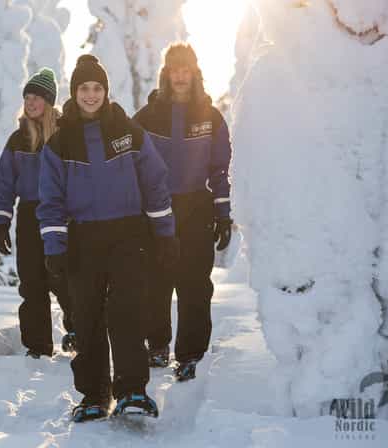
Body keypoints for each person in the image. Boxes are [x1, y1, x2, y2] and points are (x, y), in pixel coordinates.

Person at [37, 54, 179, 422]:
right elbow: (50, 200)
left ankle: (132, 390)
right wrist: (55, 247)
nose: (91, 94)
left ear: (105, 91)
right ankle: (94, 395)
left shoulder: (128, 132)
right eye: (84, 88)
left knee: (127, 313)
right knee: (87, 318)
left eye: (97, 87)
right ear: (74, 92)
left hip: (128, 235)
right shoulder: (60, 143)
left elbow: (154, 182)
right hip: (83, 240)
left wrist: (164, 234)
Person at [132, 43, 233, 382]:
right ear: (166, 73)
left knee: (194, 285)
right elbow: (129, 163)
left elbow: (221, 169)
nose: (179, 75)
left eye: (185, 68)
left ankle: (190, 354)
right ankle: (158, 345)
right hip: (157, 212)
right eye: (174, 68)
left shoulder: (210, 116)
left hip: (196, 210)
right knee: (155, 283)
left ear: (194, 73)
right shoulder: (147, 117)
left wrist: (223, 213)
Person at [0, 68, 75, 359]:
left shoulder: (65, 135)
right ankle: (38, 346)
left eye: (36, 97)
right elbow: (4, 182)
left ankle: (77, 329)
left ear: (49, 101)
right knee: (32, 282)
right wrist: (2, 221)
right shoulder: (18, 140)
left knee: (65, 278)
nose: (30, 102)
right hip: (29, 216)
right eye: (27, 97)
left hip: (63, 216)